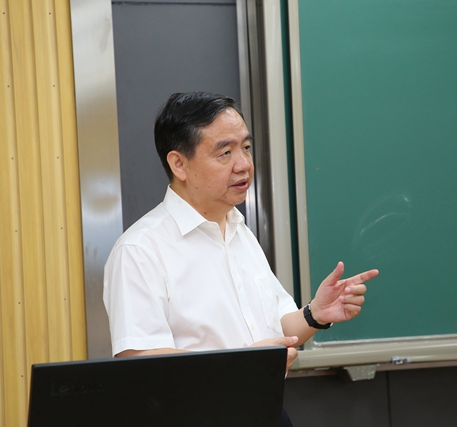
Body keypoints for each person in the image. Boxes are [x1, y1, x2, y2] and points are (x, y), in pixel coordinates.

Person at [103, 91, 378, 426]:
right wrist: (243, 367)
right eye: (225, 152)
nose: (244, 164)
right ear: (179, 164)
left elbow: (275, 330)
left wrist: (315, 315)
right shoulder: (140, 250)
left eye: (246, 148)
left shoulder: (239, 231)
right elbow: (141, 362)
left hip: (266, 412)